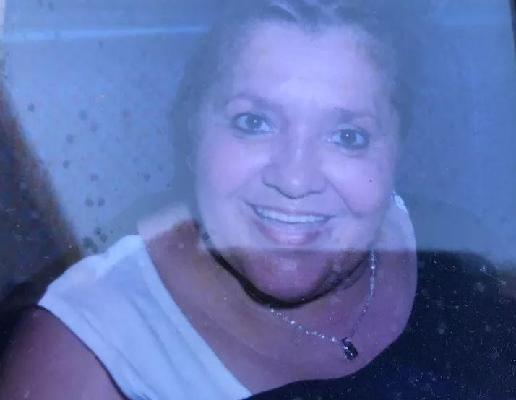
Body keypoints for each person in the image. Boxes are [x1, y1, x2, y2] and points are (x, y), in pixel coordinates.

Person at [0, 1, 514, 399]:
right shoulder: (83, 356)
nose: (294, 179)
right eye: (254, 122)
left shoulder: (459, 263)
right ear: (192, 130)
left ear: (398, 148)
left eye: (348, 136)